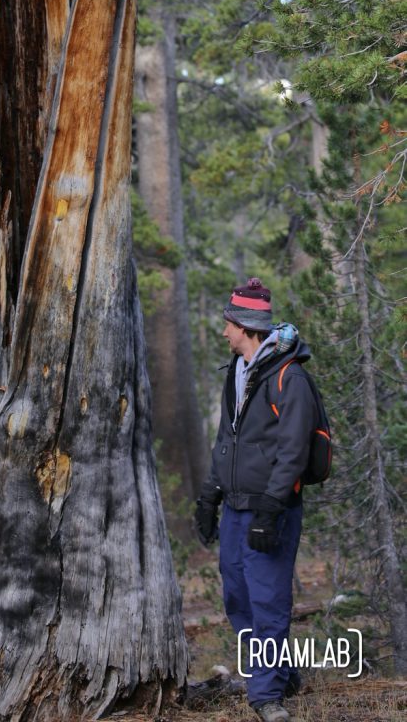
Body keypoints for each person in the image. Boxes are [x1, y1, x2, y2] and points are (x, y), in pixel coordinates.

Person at [194, 278, 317, 722]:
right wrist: (210, 495)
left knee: (267, 600)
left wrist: (271, 507)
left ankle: (266, 697)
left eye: (228, 324)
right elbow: (227, 440)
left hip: (272, 510)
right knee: (238, 598)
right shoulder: (238, 371)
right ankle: (280, 673)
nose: (224, 332)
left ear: (245, 326)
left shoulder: (290, 376)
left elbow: (294, 450)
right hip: (235, 508)